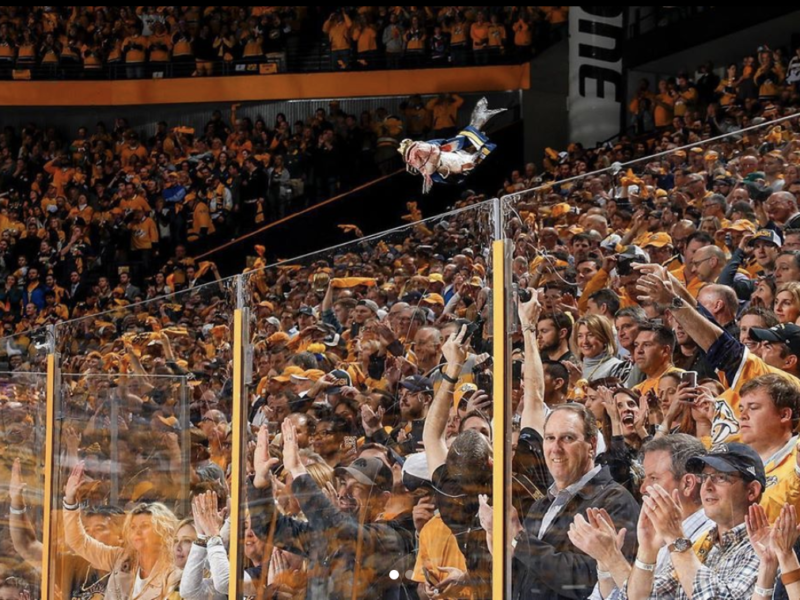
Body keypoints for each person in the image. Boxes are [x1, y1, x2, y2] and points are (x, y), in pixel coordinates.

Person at [624, 443, 764, 599]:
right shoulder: (703, 542)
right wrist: (647, 551)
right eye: (704, 478)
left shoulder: (764, 548)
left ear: (752, 491)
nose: (707, 486)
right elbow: (644, 597)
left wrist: (676, 539)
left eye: (721, 477)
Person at [63, 462, 182, 599]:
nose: (137, 532)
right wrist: (70, 500)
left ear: (162, 531)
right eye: (133, 527)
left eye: (144, 526)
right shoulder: (120, 558)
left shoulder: (174, 575)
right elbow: (78, 541)